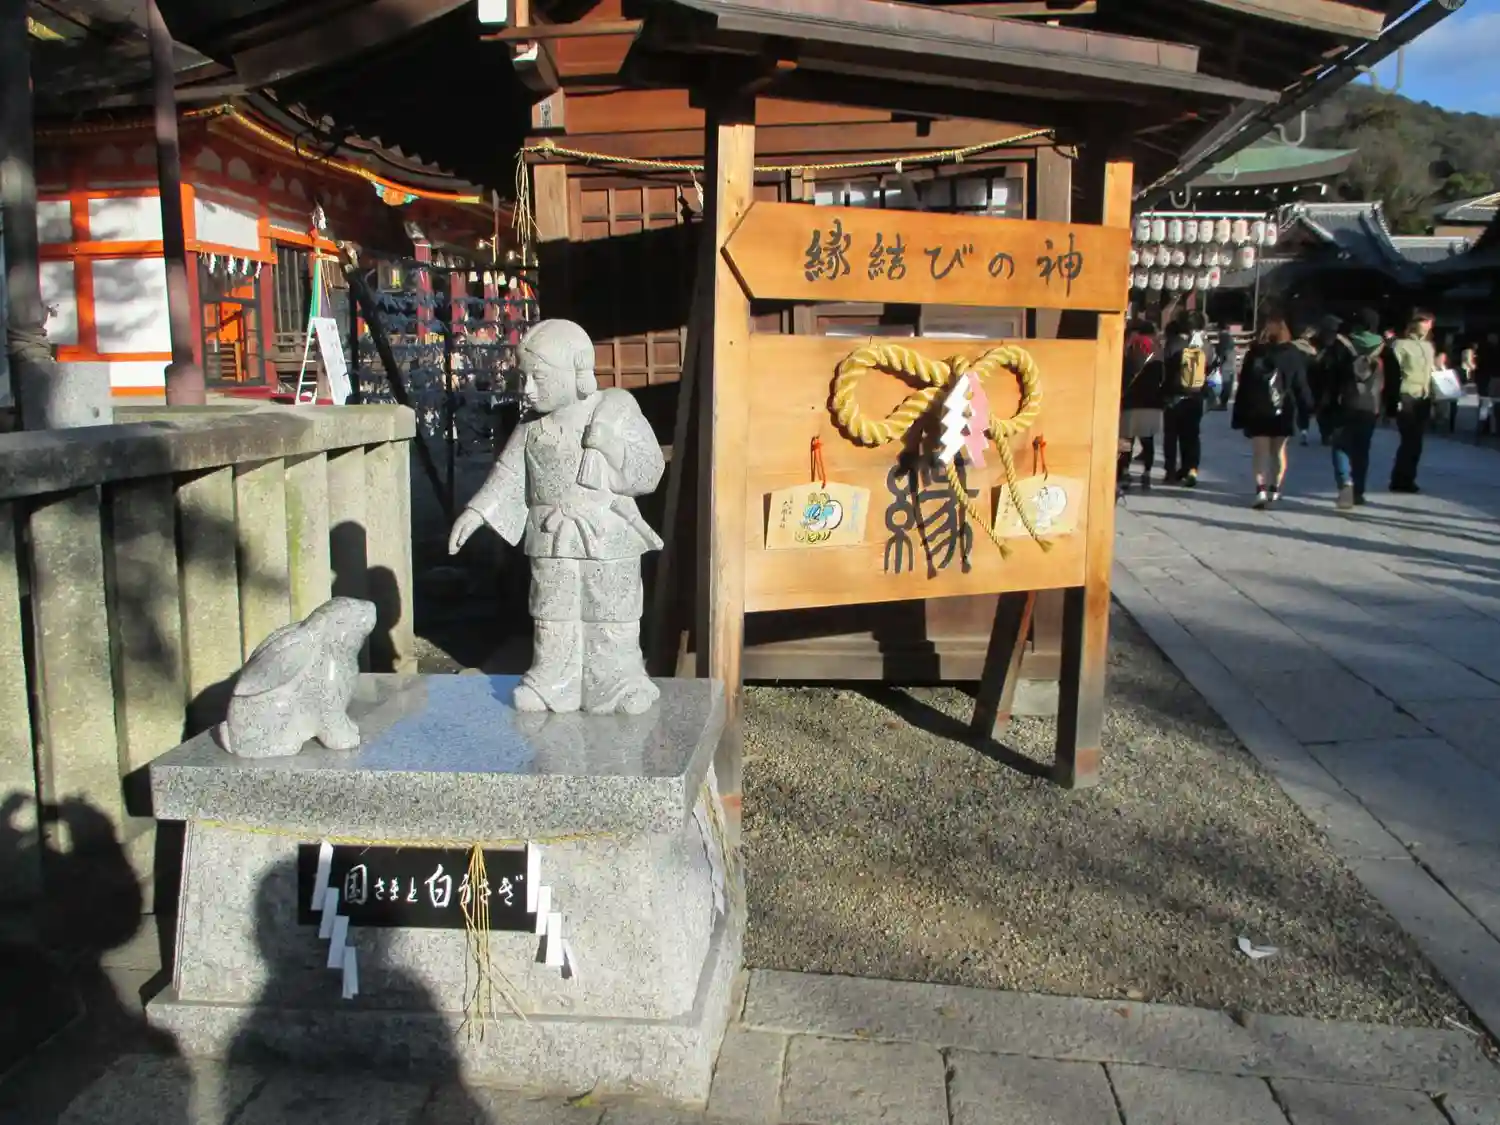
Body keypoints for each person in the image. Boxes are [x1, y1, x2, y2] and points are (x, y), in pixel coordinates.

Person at [1233, 312, 1313, 509]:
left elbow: (1244, 384)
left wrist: (1240, 412)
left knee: (1260, 452)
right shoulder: (1292, 354)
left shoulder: (1255, 353)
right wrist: (1307, 406)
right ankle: (1274, 488)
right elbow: (1300, 384)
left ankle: (1260, 489)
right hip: (1284, 408)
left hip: (1258, 409)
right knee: (1278, 452)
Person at [1325, 308, 1385, 510]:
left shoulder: (1341, 345)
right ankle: (1358, 491)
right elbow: (1394, 378)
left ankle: (1345, 482)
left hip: (1345, 402)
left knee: (1340, 445)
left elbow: (1329, 375)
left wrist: (1327, 402)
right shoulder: (1383, 347)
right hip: (1371, 405)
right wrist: (1391, 406)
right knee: (1362, 449)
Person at [1161, 311, 1215, 487]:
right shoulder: (1205, 345)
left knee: (1171, 436)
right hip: (1195, 396)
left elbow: (1165, 367)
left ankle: (1170, 471)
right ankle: (1191, 468)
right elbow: (1212, 366)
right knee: (1191, 435)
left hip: (1174, 395)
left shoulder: (1174, 343)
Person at [1387, 308, 1436, 494]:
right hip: (1406, 395)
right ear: (1413, 323)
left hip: (1424, 396)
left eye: (1430, 322)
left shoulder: (1429, 347)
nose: (1427, 325)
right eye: (1424, 321)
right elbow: (1393, 373)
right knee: (1409, 439)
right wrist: (1393, 400)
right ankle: (1400, 479)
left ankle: (1407, 477)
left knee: (1417, 442)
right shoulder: (1400, 345)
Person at [1118, 319, 1166, 494]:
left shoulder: (1129, 348)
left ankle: (1124, 472)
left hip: (1131, 401)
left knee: (1126, 440)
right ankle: (1146, 473)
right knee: (1148, 440)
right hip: (1152, 402)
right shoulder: (1158, 349)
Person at [1291, 322, 1321, 446]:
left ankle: (1290, 430)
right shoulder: (1313, 352)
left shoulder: (1291, 348)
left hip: (1292, 381)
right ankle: (1304, 431)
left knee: (1292, 406)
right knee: (1303, 408)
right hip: (1307, 383)